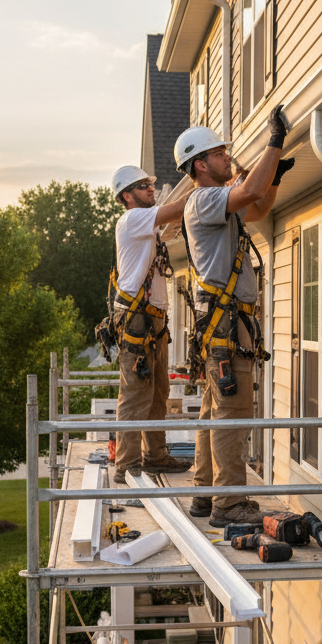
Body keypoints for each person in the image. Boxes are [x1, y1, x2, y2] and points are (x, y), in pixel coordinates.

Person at [174, 109, 295, 525]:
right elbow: (251, 190)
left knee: (215, 409)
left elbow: (258, 208)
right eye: (219, 153)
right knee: (233, 410)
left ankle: (206, 492)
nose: (228, 157)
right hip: (227, 323)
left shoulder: (214, 206)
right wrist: (274, 142)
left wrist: (273, 176)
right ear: (200, 165)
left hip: (222, 323)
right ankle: (228, 504)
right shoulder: (205, 199)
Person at [110, 165, 191, 484]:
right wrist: (205, 185)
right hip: (136, 319)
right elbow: (178, 208)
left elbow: (170, 220)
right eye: (143, 186)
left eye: (150, 184)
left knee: (158, 391)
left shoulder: (147, 225)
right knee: (135, 395)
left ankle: (154, 455)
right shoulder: (133, 219)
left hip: (151, 319)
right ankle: (126, 466)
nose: (150, 188)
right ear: (126, 196)